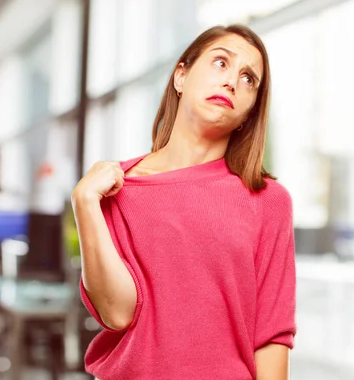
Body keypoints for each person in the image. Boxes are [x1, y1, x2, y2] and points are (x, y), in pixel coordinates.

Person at [71, 24, 296, 380]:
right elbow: (117, 312)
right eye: (221, 63)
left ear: (250, 112)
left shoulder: (268, 200)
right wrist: (84, 202)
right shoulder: (116, 188)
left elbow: (271, 335)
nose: (232, 82)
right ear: (181, 75)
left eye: (248, 78)